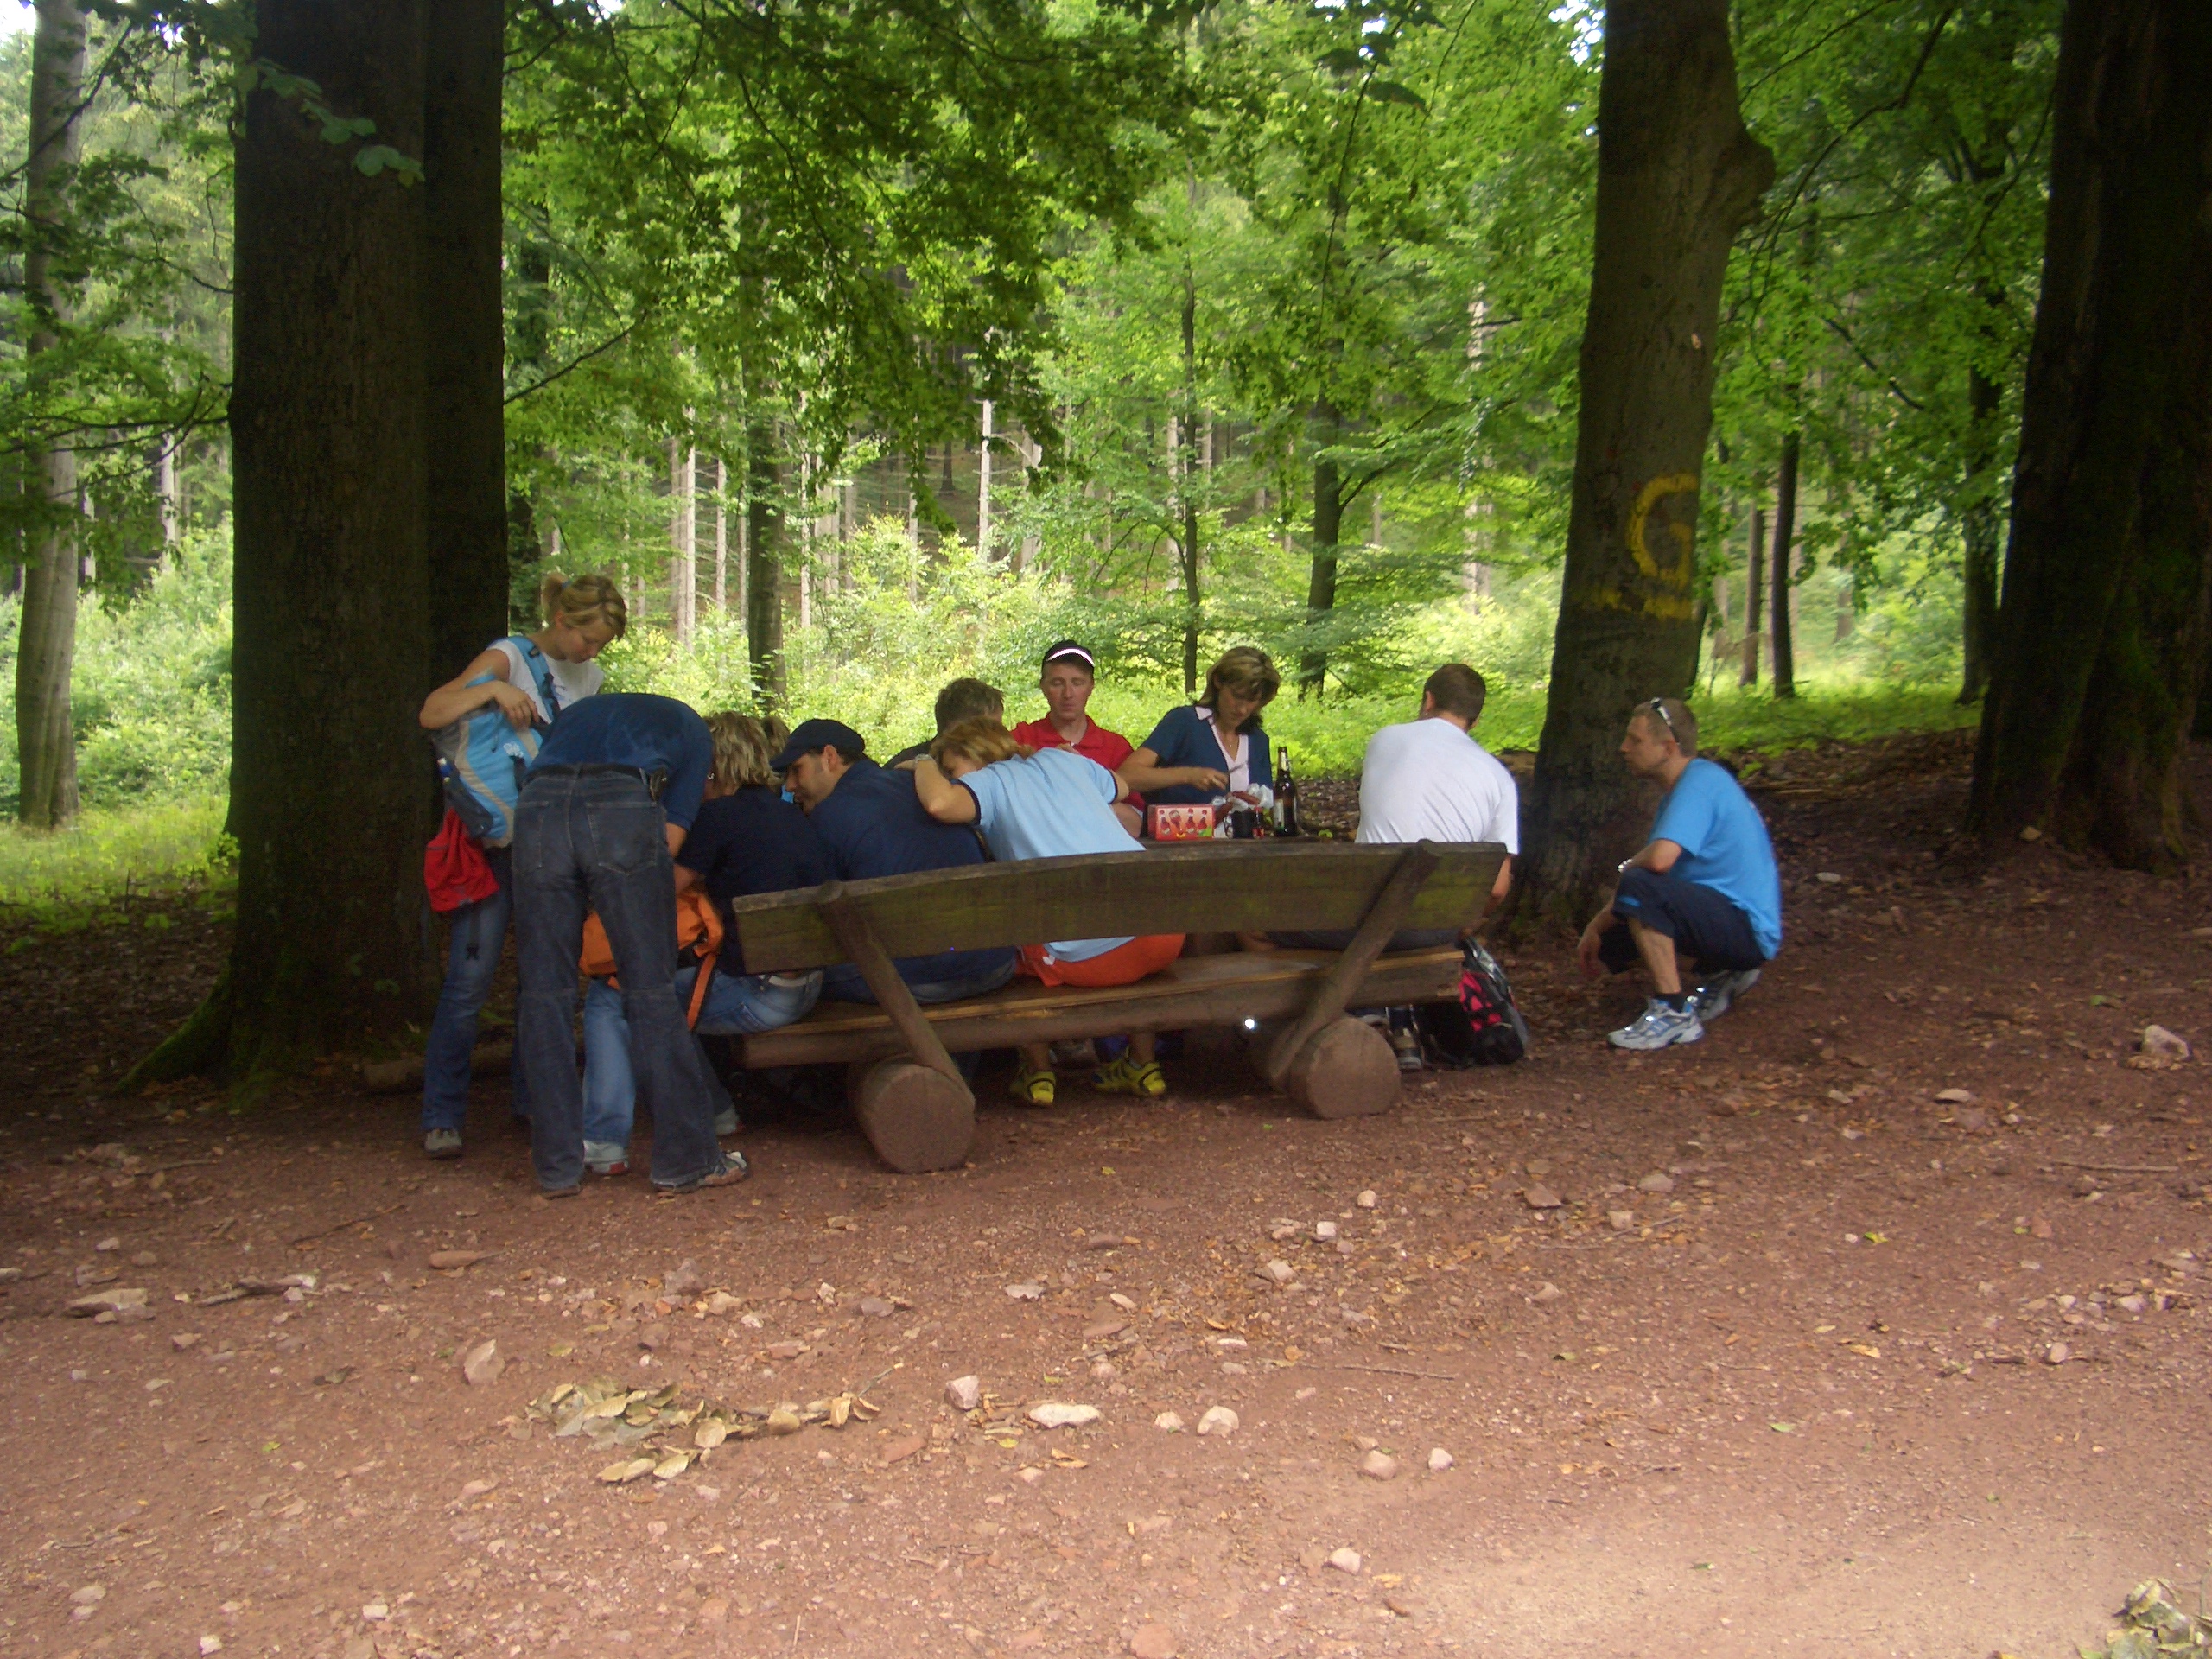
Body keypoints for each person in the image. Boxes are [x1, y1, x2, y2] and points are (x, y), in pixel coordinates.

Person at [413, 573, 626, 1160]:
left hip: (553, 844)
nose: (592, 652)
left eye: (601, 645)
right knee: (469, 983)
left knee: (545, 983)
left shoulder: (590, 677)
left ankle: (536, 1100)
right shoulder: (509, 657)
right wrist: (493, 691)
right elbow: (433, 711)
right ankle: (442, 1114)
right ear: (562, 621)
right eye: (588, 639)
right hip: (495, 845)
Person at [513, 691, 747, 1195]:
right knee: (649, 989)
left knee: (544, 992)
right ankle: (687, 1160)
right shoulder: (693, 731)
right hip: (620, 804)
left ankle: (556, 1167)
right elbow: (670, 839)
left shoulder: (576, 716)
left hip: (537, 807)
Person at [581, 714, 833, 1175]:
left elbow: (654, 892)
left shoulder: (718, 817)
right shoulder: (788, 813)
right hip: (809, 985)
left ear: (710, 768)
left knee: (613, 997)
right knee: (662, 1000)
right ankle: (717, 1112)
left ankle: (603, 1142)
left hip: (762, 995)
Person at [912, 719, 1183, 1103]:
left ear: (974, 754)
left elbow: (939, 803)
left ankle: (1038, 1074)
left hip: (1103, 959)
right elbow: (1121, 787)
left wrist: (922, 762)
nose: (953, 780)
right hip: (1168, 935)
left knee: (1007, 945)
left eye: (952, 769)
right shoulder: (1062, 759)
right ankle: (1142, 1065)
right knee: (1114, 921)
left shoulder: (988, 781)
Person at [1271, 663, 1521, 1070]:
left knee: (1260, 924)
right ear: (1475, 720)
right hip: (1434, 929)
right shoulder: (1500, 779)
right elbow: (1496, 889)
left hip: (1362, 919)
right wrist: (1462, 925)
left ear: (1428, 700)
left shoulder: (1385, 740)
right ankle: (1393, 1022)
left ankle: (1336, 1019)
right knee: (1392, 930)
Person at [1576, 696, 1782, 1052]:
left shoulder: (1699, 783)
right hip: (1731, 922)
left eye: (1635, 740)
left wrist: (1627, 868)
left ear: (1669, 747)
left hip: (1746, 928)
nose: (1624, 748)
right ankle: (1725, 972)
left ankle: (1673, 1012)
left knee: (1639, 888)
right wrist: (1596, 927)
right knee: (1615, 935)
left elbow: (1658, 863)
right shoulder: (1685, 789)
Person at [774, 717, 1018, 1003]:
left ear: (829, 758)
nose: (790, 785)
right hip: (995, 964)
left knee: (798, 981)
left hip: (919, 979)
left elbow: (818, 922)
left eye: (796, 770)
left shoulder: (829, 815)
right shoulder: (924, 786)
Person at [1120, 645, 1280, 809]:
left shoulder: (1258, 740)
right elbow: (1126, 776)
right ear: (1218, 681)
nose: (1242, 709)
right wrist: (1188, 775)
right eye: (1237, 696)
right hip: (1178, 825)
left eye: (1252, 700)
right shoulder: (1184, 722)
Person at [1011, 640, 1144, 836]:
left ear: (1091, 687)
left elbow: (1134, 825)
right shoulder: (1021, 739)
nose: (1068, 694)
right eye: (1057, 683)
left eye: (1077, 683)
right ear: (1043, 687)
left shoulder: (1116, 747)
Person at [885, 678, 1004, 767]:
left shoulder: (997, 763)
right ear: (958, 729)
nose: (999, 736)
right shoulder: (901, 774)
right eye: (991, 729)